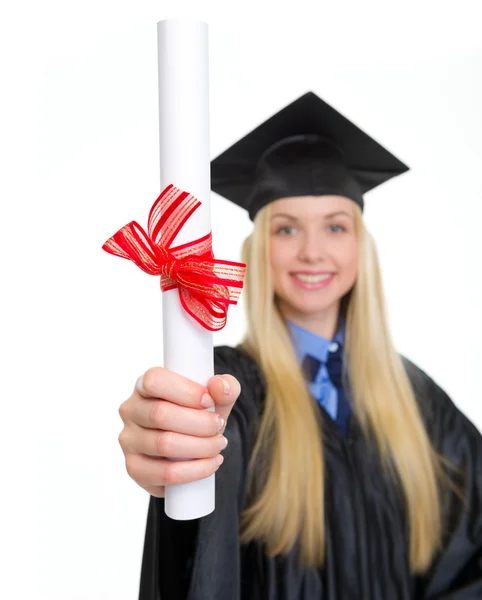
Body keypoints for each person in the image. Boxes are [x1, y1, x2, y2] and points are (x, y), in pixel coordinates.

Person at [118, 92, 482, 599]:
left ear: (360, 247)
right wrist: (174, 453)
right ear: (259, 249)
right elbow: (198, 563)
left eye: (335, 226)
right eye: (286, 229)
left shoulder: (415, 397)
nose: (313, 251)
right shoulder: (228, 390)